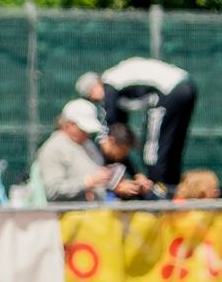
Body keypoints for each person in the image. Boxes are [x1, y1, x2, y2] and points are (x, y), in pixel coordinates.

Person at [79, 59, 198, 188]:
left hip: (169, 92)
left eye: (91, 97)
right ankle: (172, 187)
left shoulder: (109, 86)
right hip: (187, 86)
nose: (96, 101)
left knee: (152, 150)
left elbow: (111, 126)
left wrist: (134, 173)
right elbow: (120, 129)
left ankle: (157, 190)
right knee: (171, 146)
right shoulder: (118, 82)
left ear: (94, 87)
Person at [36, 99, 112, 204]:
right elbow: (52, 190)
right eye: (83, 129)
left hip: (95, 215)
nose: (87, 134)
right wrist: (87, 183)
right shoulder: (52, 149)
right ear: (68, 125)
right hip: (68, 218)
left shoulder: (88, 145)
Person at [95, 124, 162, 201]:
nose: (125, 154)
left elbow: (135, 170)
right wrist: (116, 188)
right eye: (123, 150)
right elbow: (90, 183)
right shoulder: (94, 153)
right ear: (111, 141)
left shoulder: (118, 154)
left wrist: (141, 179)